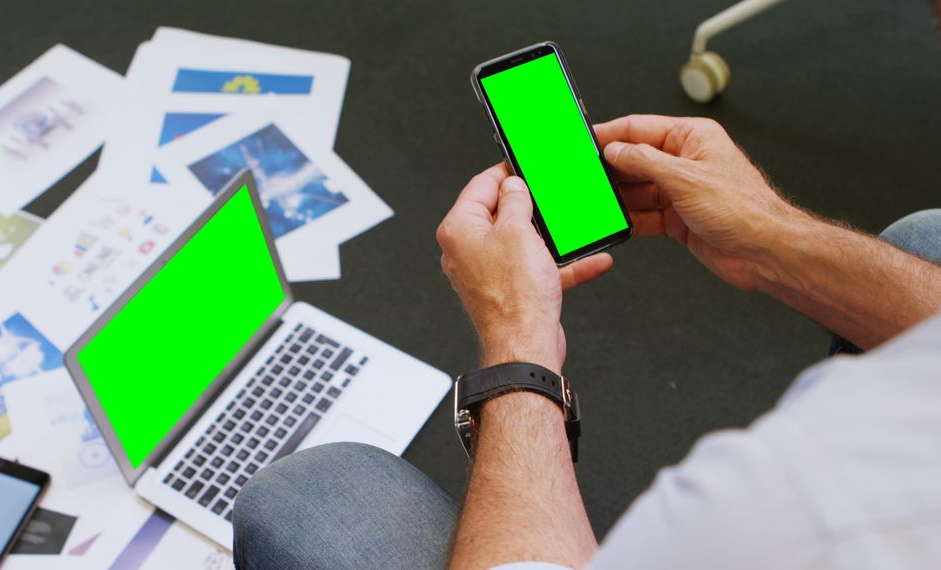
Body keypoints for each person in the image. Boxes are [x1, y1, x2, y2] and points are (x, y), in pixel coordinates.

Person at [231, 112, 941, 569]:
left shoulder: (778, 496)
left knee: (310, 497)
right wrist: (770, 240)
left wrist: (518, 336)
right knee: (925, 244)